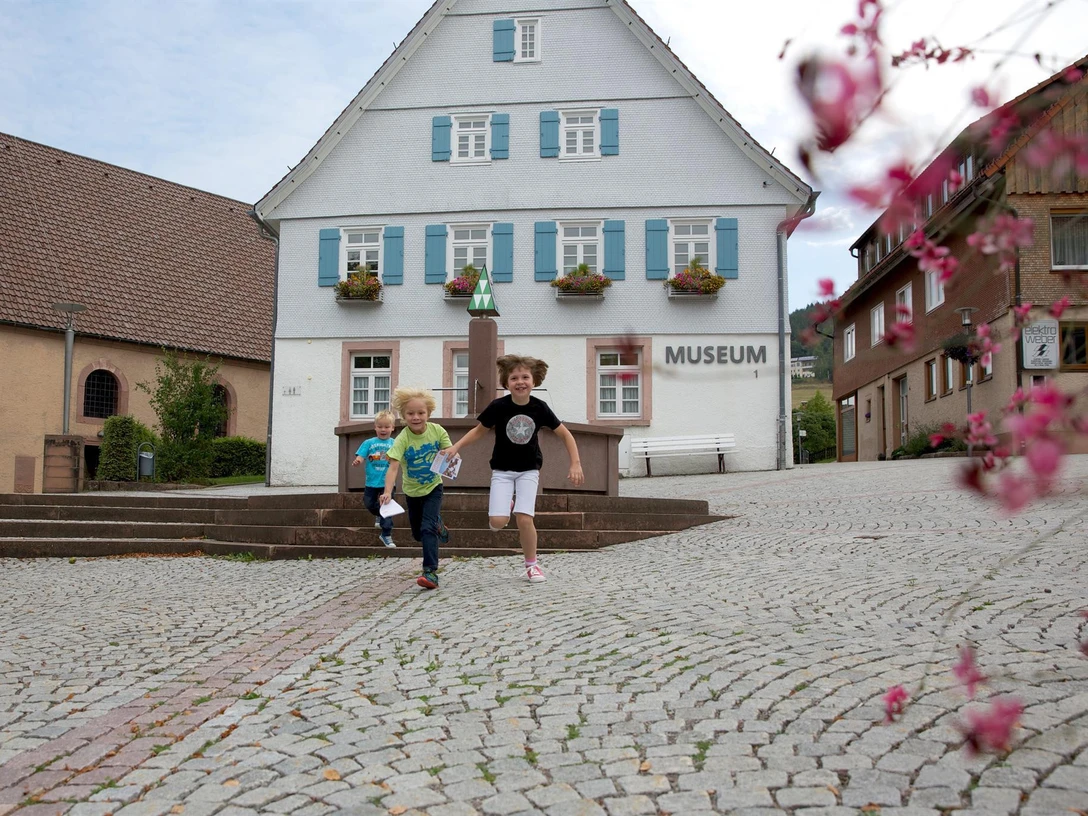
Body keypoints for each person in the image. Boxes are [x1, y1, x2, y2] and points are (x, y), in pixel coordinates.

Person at [444, 354, 583, 584]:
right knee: (497, 523)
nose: (520, 381)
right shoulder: (499, 406)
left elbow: (565, 435)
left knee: (525, 518)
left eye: (525, 377)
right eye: (514, 377)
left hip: (529, 470)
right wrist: (456, 446)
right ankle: (507, 504)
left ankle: (532, 566)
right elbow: (480, 431)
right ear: (506, 383)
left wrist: (575, 462)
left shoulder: (540, 408)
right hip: (502, 471)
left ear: (534, 380)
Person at [380, 387, 452, 589]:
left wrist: (451, 456)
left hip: (433, 487)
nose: (416, 417)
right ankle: (439, 525)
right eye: (410, 413)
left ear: (428, 413)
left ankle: (430, 572)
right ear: (403, 415)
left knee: (427, 529)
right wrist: (387, 492)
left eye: (421, 413)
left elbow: (448, 450)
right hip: (412, 492)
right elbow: (393, 467)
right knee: (418, 534)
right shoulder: (403, 438)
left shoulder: (437, 431)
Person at [350, 409, 398, 548]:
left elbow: (400, 457)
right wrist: (358, 460)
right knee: (369, 504)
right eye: (380, 426)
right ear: (375, 427)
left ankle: (386, 534)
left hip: (387, 483)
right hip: (371, 482)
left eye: (387, 427)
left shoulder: (394, 443)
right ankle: (378, 514)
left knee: (387, 508)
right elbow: (361, 455)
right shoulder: (369, 443)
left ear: (392, 428)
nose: (383, 430)